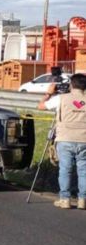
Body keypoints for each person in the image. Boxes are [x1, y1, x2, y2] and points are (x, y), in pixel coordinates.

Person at [39, 73, 86, 210]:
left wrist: (48, 93)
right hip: (84, 139)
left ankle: (65, 199)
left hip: (65, 138)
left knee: (65, 169)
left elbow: (41, 106)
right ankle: (83, 199)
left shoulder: (61, 98)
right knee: (83, 170)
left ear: (71, 84)